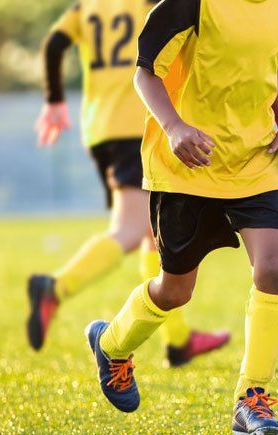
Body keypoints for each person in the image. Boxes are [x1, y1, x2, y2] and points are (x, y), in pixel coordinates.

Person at [83, 0, 278, 435]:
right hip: (186, 165)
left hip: (253, 160)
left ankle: (251, 399)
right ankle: (112, 346)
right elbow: (144, 72)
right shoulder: (190, 3)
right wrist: (174, 127)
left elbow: (269, 65)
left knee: (275, 267)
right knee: (175, 290)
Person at [27, 0, 229, 368]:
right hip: (141, 122)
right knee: (131, 228)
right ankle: (55, 287)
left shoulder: (86, 6)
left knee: (152, 234)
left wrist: (55, 100)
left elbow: (55, 44)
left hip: (102, 128)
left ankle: (178, 339)